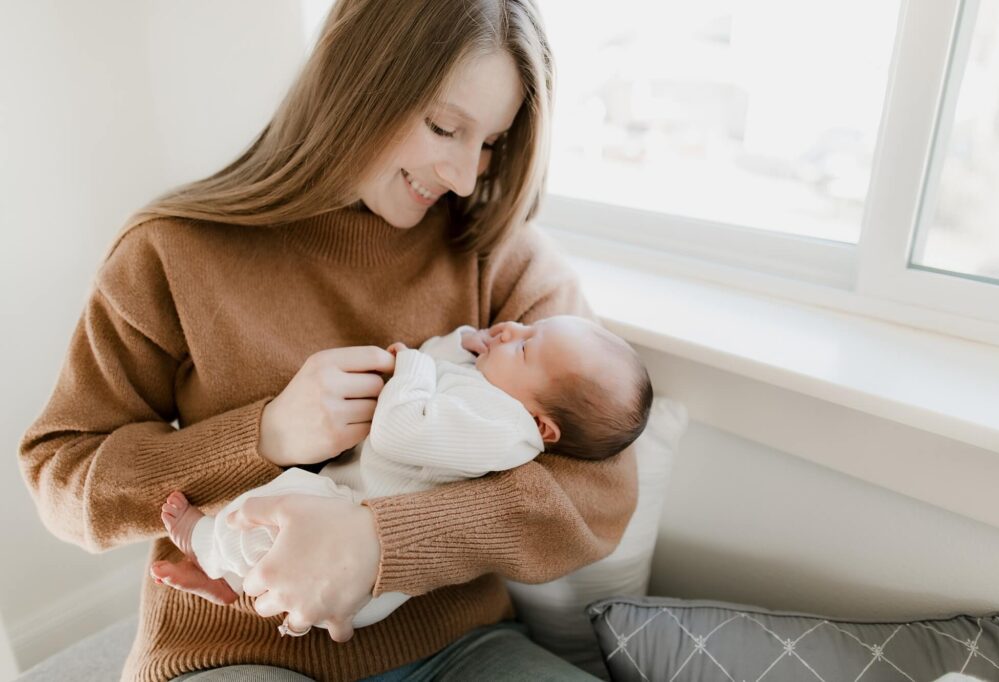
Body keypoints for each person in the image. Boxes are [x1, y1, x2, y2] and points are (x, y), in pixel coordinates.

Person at [18, 1, 639, 680]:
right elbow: (62, 473)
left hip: (459, 645)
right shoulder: (170, 253)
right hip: (237, 646)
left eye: (490, 142)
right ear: (357, 83)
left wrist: (381, 543)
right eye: (444, 128)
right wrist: (263, 437)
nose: (465, 176)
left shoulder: (500, 254)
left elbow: (602, 485)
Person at [152, 316, 653, 632]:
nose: (510, 330)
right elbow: (442, 371)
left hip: (363, 569)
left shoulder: (505, 429)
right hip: (344, 530)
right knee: (283, 521)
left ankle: (205, 539)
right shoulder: (490, 389)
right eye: (528, 326)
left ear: (543, 426)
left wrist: (409, 363)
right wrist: (461, 343)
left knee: (285, 502)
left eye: (524, 347)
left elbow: (399, 429)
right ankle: (228, 580)